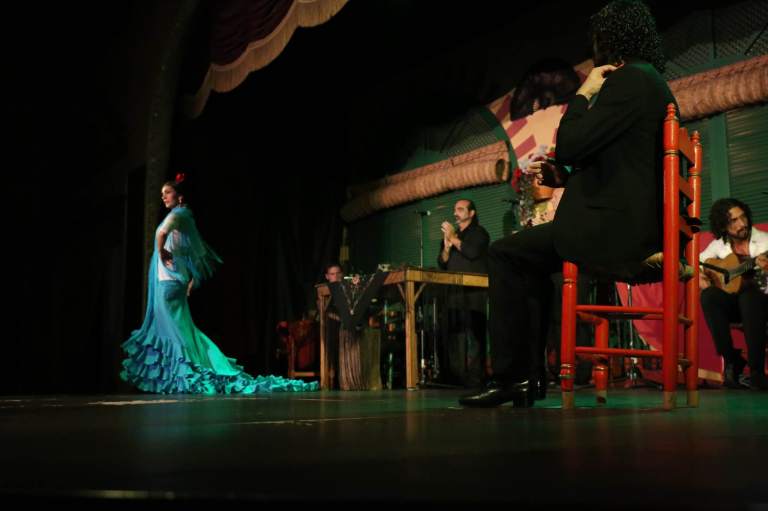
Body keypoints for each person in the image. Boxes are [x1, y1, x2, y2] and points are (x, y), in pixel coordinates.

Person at [460, 0, 674, 407]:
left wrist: (583, 93)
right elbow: (620, 167)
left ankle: (513, 378)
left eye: (598, 38)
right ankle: (529, 379)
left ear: (612, 38)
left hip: (618, 232)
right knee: (529, 259)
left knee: (505, 254)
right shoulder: (651, 83)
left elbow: (571, 143)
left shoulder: (627, 81)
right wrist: (567, 178)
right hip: (632, 221)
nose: (594, 47)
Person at [121, 173, 318, 394]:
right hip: (173, 279)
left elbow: (161, 233)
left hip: (168, 281)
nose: (163, 197)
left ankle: (186, 374)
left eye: (167, 193)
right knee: (183, 330)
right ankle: (191, 371)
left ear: (180, 197)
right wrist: (190, 277)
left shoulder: (177, 215)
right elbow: (195, 253)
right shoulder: (186, 219)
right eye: (162, 194)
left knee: (173, 330)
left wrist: (161, 249)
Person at [699, 198, 768, 390]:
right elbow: (697, 264)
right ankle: (732, 359)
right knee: (709, 296)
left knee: (749, 296)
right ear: (723, 227)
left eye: (743, 217)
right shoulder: (719, 246)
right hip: (735, 307)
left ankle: (756, 372)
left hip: (762, 303)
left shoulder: (764, 241)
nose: (742, 224)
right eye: (734, 221)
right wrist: (701, 278)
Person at [437, 199, 490, 386]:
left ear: (472, 213)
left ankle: (476, 378)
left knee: (474, 336)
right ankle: (456, 377)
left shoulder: (479, 233)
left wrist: (453, 239)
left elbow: (472, 252)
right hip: (454, 292)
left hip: (474, 292)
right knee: (455, 336)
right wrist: (446, 247)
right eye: (455, 209)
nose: (455, 213)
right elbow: (442, 262)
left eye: (460, 209)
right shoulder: (453, 235)